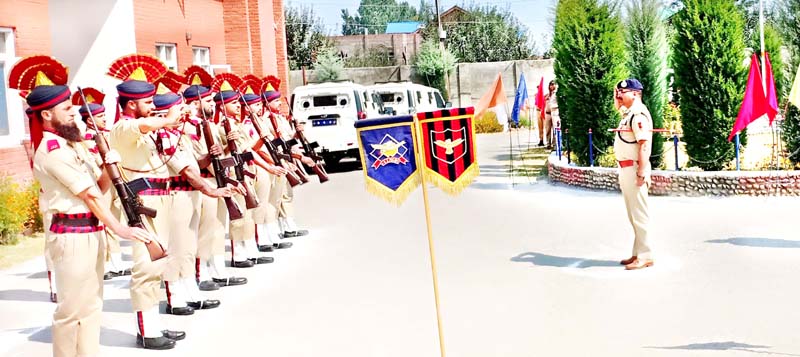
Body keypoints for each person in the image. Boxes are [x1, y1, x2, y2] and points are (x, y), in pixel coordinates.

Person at [11, 55, 151, 357]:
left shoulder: (74, 146)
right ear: (47, 114)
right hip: (72, 236)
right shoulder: (51, 151)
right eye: (67, 109)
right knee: (71, 312)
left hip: (91, 232)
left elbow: (99, 188)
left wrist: (107, 166)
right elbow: (89, 196)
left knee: (91, 307)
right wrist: (121, 229)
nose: (74, 113)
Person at [108, 54, 186, 349]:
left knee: (159, 262)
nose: (153, 106)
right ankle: (147, 331)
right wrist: (167, 118)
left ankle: (154, 324)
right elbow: (140, 126)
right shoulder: (123, 128)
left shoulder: (145, 128)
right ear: (131, 105)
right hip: (143, 203)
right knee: (146, 267)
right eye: (148, 102)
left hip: (160, 199)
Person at [613, 78, 654, 271]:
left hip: (634, 169)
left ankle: (646, 255)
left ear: (636, 94)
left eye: (624, 92)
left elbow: (644, 145)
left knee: (639, 215)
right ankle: (637, 253)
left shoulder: (638, 115)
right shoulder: (629, 114)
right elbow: (619, 107)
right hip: (626, 169)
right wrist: (618, 99)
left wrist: (641, 172)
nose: (620, 95)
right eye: (619, 92)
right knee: (633, 215)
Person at [543, 80, 558, 149]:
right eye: (551, 84)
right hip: (548, 113)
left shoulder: (556, 94)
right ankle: (548, 143)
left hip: (554, 112)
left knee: (555, 128)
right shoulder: (547, 95)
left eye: (553, 84)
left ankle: (554, 144)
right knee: (548, 129)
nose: (552, 86)